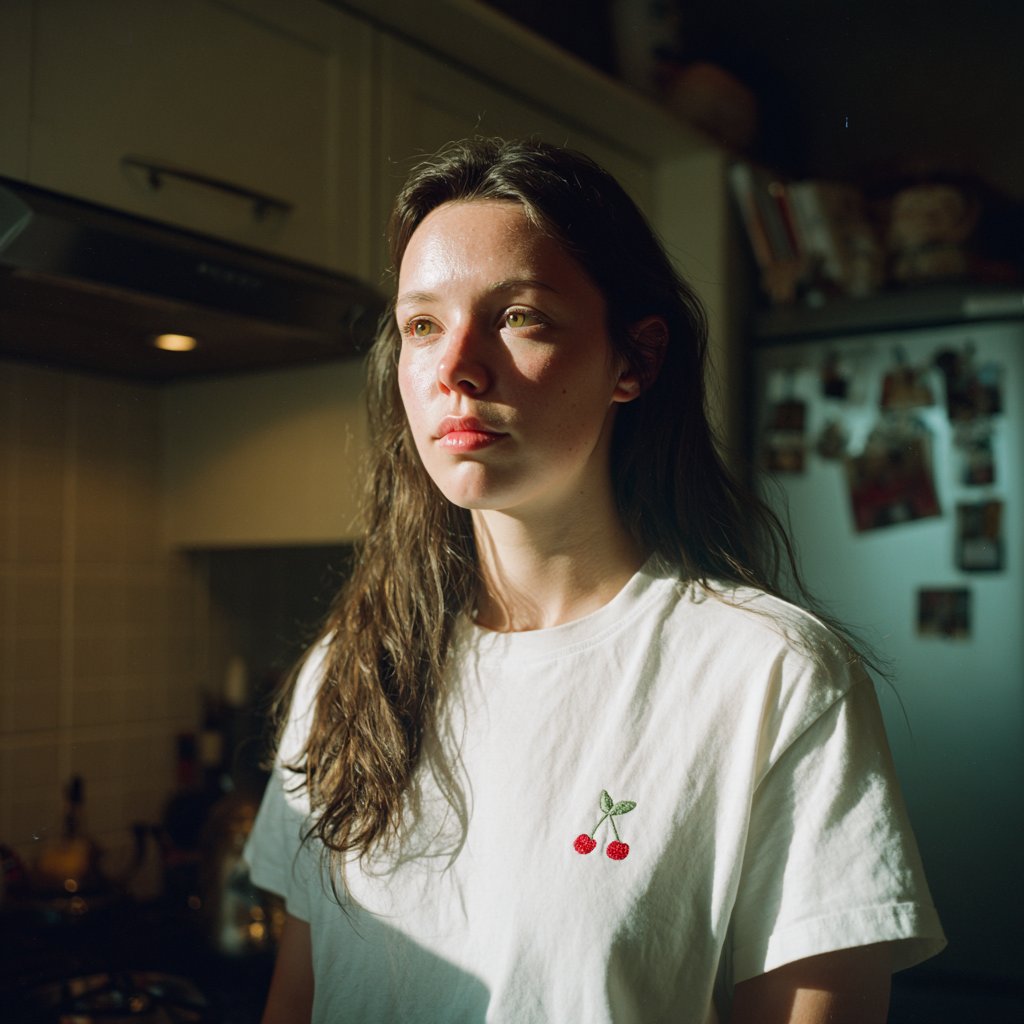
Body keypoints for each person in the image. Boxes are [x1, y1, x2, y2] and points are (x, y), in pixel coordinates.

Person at [246, 137, 945, 1024]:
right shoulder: (347, 672)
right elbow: (298, 999)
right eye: (422, 323)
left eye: (519, 316)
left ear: (635, 361)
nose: (455, 366)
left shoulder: (771, 677)